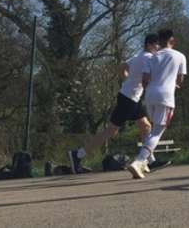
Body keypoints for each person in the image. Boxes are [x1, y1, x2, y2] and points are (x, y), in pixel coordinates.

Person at [68, 33, 158, 174]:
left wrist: (128, 81)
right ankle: (78, 154)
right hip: (128, 99)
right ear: (149, 45)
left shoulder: (137, 56)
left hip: (131, 97)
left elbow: (121, 68)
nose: (158, 48)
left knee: (145, 125)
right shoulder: (148, 58)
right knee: (111, 131)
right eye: (156, 45)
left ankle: (149, 160)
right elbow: (147, 77)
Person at [127, 29, 187, 179]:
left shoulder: (151, 58)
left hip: (150, 95)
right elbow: (180, 81)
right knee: (157, 131)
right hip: (165, 96)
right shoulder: (180, 56)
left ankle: (146, 160)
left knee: (153, 130)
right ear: (172, 40)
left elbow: (145, 79)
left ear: (159, 41)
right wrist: (173, 85)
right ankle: (140, 161)